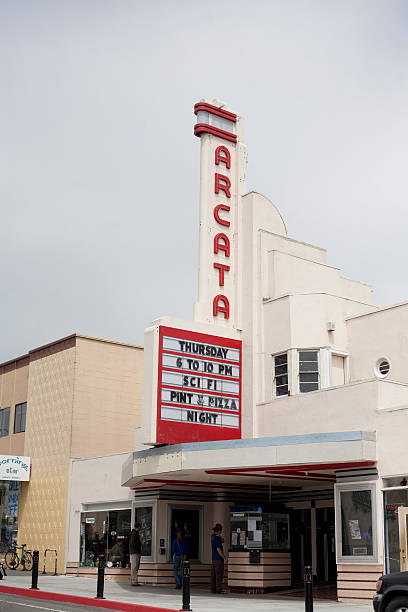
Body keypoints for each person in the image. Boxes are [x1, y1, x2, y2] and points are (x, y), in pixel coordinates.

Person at [211, 523, 227, 594]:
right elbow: (218, 549)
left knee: (213, 575)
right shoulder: (217, 538)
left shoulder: (213, 536)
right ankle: (218, 589)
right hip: (218, 559)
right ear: (220, 531)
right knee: (219, 575)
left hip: (213, 559)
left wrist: (219, 536)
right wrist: (224, 557)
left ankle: (213, 589)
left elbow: (223, 540)